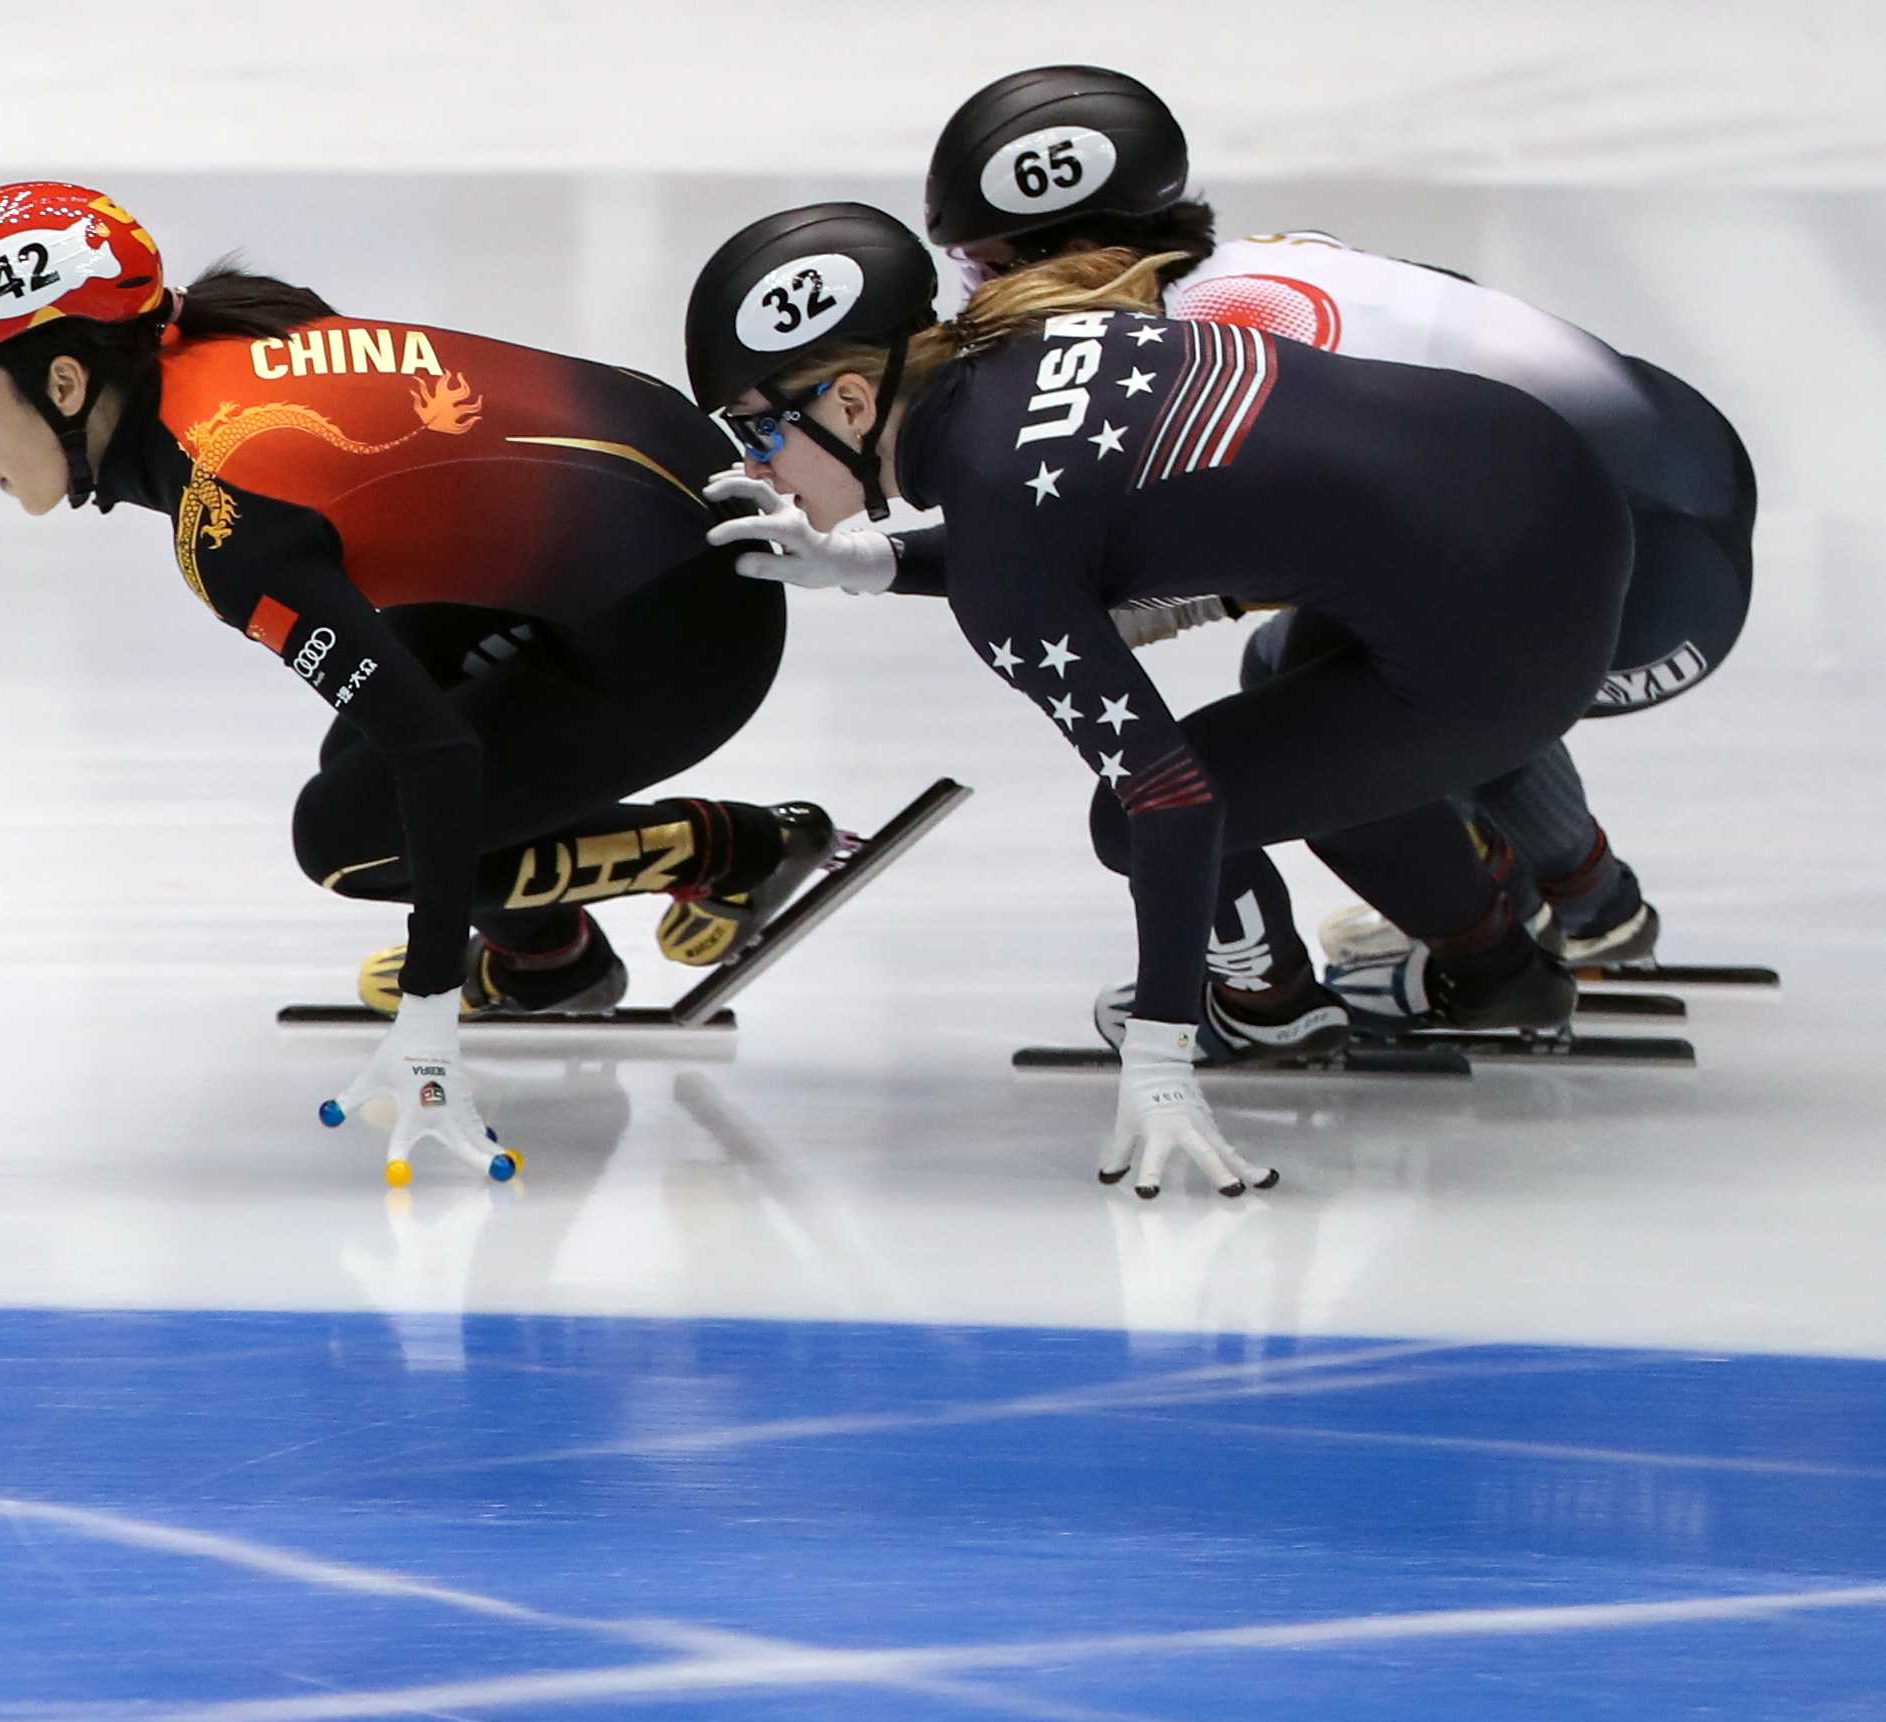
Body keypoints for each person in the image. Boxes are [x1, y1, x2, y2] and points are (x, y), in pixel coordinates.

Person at [685, 202, 1628, 1196]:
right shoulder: (1032, 336)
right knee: (1293, 702)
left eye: (757, 427)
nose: (754, 464)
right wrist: (859, 560)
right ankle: (1494, 961)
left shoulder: (1005, 549)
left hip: (1506, 634)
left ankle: (1266, 1004)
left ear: (848, 404)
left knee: (1132, 822)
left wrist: (1161, 1058)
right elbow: (1057, 516)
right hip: (1544, 481)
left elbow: (1169, 800)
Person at [0, 181, 828, 1185]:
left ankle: (738, 845)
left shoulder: (224, 515)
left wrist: (430, 1012)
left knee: (351, 841)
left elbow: (442, 754)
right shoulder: (212, 334)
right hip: (630, 530)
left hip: (684, 626)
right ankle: (550, 958)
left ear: (67, 384)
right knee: (360, 758)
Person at [922, 64, 1755, 972]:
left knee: (1333, 690)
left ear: (1060, 254)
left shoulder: (1199, 342)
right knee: (1359, 655)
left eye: (984, 267)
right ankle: (1591, 901)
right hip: (1679, 474)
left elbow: (1304, 528)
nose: (975, 301)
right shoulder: (1250, 266)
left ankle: (1495, 921)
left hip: (1646, 576)